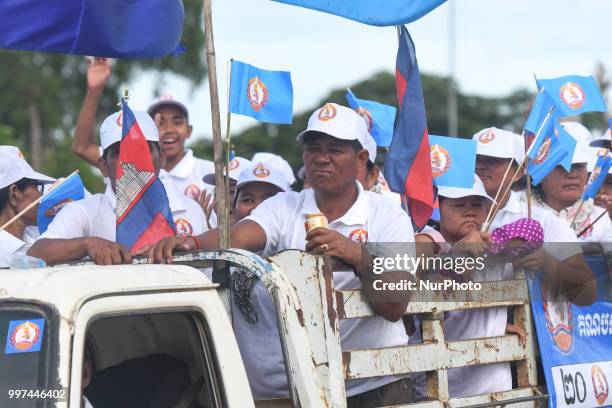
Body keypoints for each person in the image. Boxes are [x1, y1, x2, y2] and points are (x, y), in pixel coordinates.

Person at [144, 103, 415, 406]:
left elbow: (395, 304)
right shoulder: (285, 207)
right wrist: (191, 242)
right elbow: (237, 236)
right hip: (309, 389)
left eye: (335, 150)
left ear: (361, 159)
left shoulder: (389, 218)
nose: (321, 158)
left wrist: (355, 254)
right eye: (313, 149)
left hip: (375, 385)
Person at [28, 110, 206, 265]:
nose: (131, 158)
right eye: (119, 152)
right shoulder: (84, 212)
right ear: (104, 166)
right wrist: (87, 244)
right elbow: (35, 253)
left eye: (141, 148)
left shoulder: (190, 209)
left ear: (161, 158)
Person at [472, 127, 595, 306]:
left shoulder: (541, 220)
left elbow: (588, 293)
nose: (480, 166)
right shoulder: (443, 214)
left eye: (493, 160)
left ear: (518, 172)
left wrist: (546, 262)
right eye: (474, 159)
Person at [524, 132, 612, 247]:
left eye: (579, 166)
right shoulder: (517, 211)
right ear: (539, 174)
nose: (573, 175)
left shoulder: (599, 216)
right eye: (562, 167)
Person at [0, 149, 55, 267]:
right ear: (15, 194)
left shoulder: (34, 237)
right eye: (37, 187)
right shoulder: (3, 256)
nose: (41, 196)